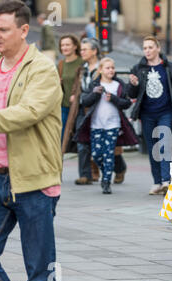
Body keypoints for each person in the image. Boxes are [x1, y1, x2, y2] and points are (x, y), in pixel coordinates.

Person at [0, 0, 62, 281]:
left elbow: (27, 113)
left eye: (3, 29)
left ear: (24, 29)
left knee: (40, 276)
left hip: (34, 181)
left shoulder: (42, 69)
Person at [128, 36, 172, 195]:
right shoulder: (138, 68)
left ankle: (166, 180)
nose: (147, 51)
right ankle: (156, 182)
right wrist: (133, 84)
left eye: (150, 47)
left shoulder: (169, 67)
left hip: (166, 112)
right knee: (152, 147)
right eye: (145, 48)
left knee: (164, 145)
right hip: (147, 114)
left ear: (158, 49)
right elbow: (132, 93)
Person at [75, 57, 137, 194]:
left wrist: (114, 99)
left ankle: (106, 181)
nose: (111, 70)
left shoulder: (118, 85)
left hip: (113, 125)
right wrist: (95, 94)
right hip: (96, 125)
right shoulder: (95, 85)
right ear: (101, 70)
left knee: (109, 153)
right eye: (108, 68)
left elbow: (126, 103)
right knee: (97, 154)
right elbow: (85, 101)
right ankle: (106, 171)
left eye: (112, 68)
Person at [62, 37, 101, 185]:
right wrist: (75, 95)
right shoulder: (82, 69)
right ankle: (85, 175)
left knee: (102, 144)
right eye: (82, 49)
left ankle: (119, 166)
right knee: (81, 141)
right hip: (81, 110)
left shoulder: (103, 67)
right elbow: (77, 87)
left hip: (98, 110)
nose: (82, 52)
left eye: (85, 49)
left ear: (94, 51)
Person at [57, 34, 84, 142]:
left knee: (80, 139)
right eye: (62, 45)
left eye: (67, 45)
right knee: (62, 138)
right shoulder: (61, 64)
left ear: (75, 46)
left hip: (79, 107)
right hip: (64, 106)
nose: (64, 48)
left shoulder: (82, 62)